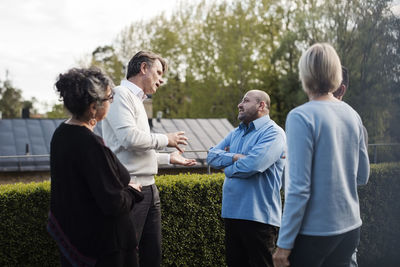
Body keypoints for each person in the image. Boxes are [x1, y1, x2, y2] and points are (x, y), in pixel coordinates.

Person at [273, 43, 370, 267]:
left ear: (305, 74)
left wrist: (283, 247)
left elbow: (298, 188)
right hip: (350, 229)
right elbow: (362, 176)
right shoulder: (352, 114)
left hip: (314, 234)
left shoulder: (300, 116)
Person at [102, 50, 196, 267]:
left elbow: (139, 149)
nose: (161, 80)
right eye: (159, 72)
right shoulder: (119, 95)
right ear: (143, 68)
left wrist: (168, 159)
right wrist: (167, 139)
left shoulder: (136, 100)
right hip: (131, 188)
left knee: (152, 256)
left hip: (149, 188)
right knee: (127, 257)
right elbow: (129, 139)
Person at [47, 67, 144, 267]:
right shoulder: (90, 144)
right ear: (93, 107)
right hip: (104, 248)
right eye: (109, 98)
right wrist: (131, 192)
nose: (112, 102)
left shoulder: (61, 134)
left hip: (77, 238)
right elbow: (113, 203)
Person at [207, 90, 286, 267]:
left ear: (261, 105)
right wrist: (236, 157)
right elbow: (211, 156)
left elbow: (253, 165)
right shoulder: (235, 133)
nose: (239, 104)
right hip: (232, 214)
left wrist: (226, 168)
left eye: (245, 101)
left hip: (259, 219)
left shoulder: (274, 133)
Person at [334, 66, 368, 267]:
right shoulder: (357, 122)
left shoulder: (305, 119)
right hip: (349, 217)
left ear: (342, 89)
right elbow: (362, 177)